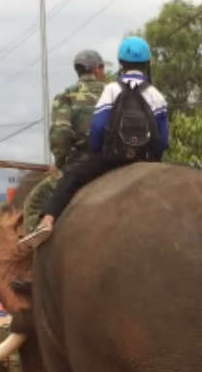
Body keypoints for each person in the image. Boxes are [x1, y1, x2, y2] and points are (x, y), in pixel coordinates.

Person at [21, 35, 170, 248]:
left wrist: (95, 152)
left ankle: (47, 222)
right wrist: (153, 160)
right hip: (146, 159)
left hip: (109, 157)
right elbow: (163, 139)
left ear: (120, 63)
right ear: (148, 63)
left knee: (66, 180)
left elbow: (97, 128)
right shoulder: (155, 94)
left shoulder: (110, 90)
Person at [22, 49, 109, 235]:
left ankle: (33, 254)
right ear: (98, 70)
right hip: (120, 157)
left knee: (34, 202)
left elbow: (60, 136)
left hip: (83, 163)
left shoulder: (66, 97)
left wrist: (61, 163)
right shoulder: (114, 92)